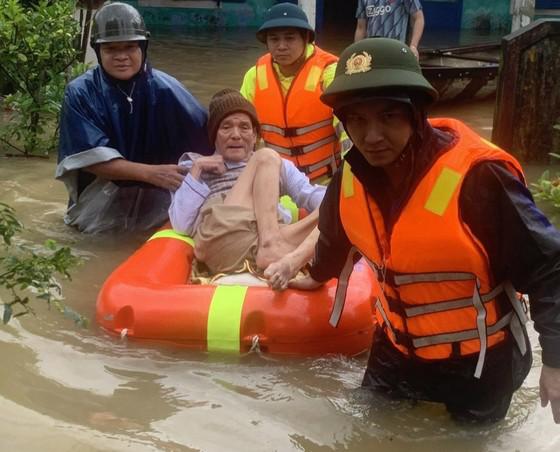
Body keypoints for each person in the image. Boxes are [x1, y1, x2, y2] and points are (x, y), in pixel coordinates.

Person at [274, 38, 560, 423]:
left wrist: (556, 364)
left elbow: (549, 267)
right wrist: (316, 275)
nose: (371, 136)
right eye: (357, 120)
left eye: (388, 117)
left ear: (417, 113)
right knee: (364, 433)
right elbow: (333, 236)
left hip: (479, 361)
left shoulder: (480, 178)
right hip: (395, 350)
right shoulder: (350, 176)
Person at [56, 2, 212, 233]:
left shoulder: (167, 89)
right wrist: (151, 173)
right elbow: (87, 157)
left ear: (143, 48)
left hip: (158, 199)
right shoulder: (80, 92)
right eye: (111, 49)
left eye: (129, 47)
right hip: (100, 199)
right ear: (98, 52)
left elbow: (209, 140)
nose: (122, 57)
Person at [169, 89, 325, 275]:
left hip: (261, 237)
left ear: (254, 136)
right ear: (214, 136)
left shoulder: (278, 166)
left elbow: (309, 194)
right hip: (223, 236)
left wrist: (341, 199)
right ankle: (272, 245)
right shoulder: (194, 164)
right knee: (265, 156)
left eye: (244, 127)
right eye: (226, 127)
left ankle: (275, 248)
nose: (236, 135)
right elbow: (180, 224)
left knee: (338, 208)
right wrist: (197, 169)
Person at [240, 2, 350, 183]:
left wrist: (349, 177)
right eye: (274, 39)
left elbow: (348, 129)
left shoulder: (330, 73)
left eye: (290, 38)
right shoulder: (254, 76)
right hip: (276, 180)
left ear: (306, 38)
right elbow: (241, 125)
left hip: (325, 181)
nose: (281, 46)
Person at [354, 0, 425, 59]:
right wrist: (356, 51)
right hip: (371, 51)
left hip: (396, 50)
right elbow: (361, 27)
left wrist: (413, 46)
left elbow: (419, 18)